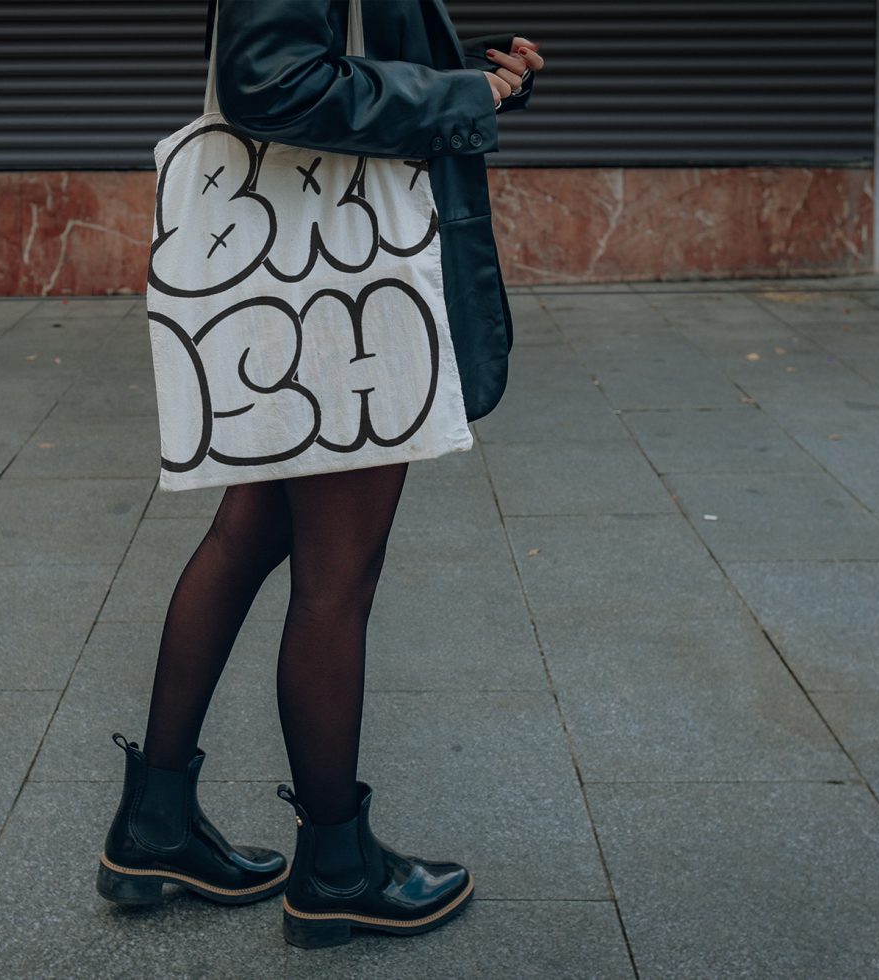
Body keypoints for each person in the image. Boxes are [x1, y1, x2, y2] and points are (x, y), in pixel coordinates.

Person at [97, 0, 544, 949]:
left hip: (302, 266)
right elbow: (271, 80)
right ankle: (336, 868)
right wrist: (457, 93)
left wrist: (467, 75)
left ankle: (156, 825)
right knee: (336, 572)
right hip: (339, 285)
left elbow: (320, 55)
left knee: (252, 530)